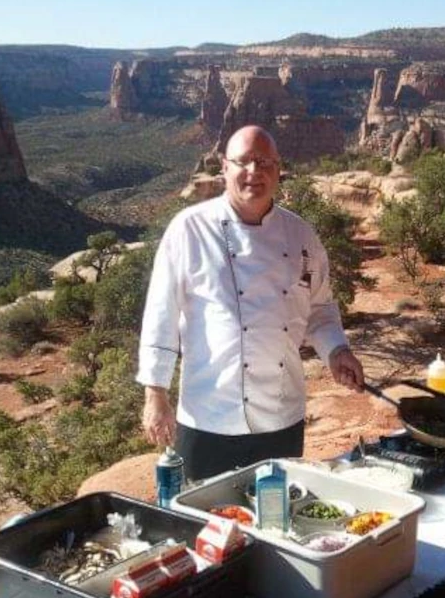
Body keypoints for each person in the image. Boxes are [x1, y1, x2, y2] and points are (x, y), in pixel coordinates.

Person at [136, 125, 364, 481]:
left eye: (264, 162)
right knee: (205, 523)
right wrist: (156, 394)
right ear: (224, 167)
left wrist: (337, 351)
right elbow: (161, 314)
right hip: (208, 417)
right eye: (243, 162)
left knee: (278, 521)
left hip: (280, 416)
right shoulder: (189, 229)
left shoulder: (301, 234)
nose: (254, 172)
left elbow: (319, 309)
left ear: (278, 169)